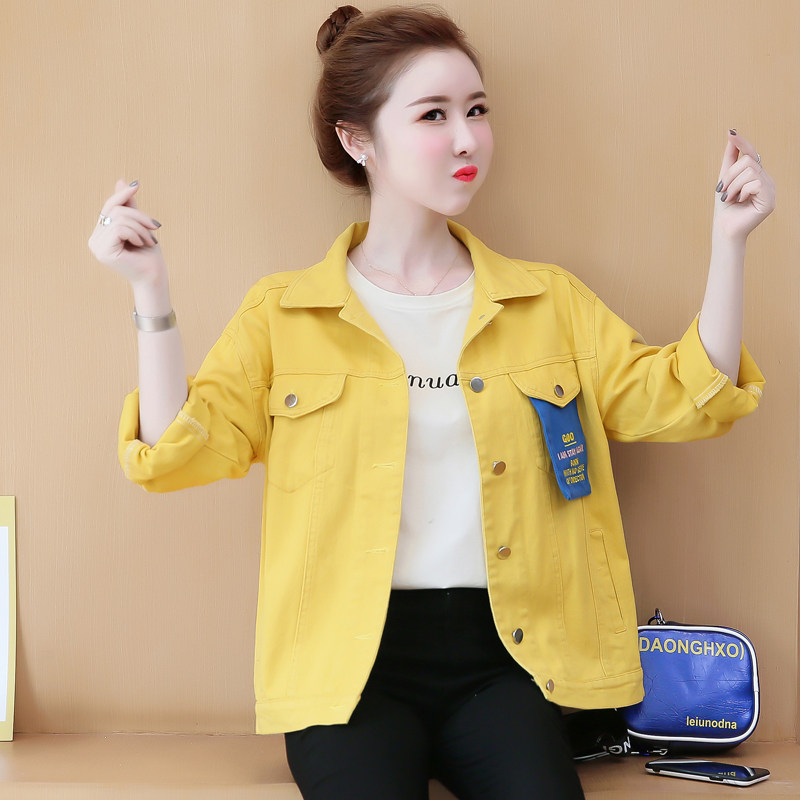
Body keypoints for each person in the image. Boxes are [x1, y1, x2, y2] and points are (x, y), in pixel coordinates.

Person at [87, 5, 775, 799]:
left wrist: (730, 243)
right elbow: (174, 454)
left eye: (477, 111)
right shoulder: (283, 315)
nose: (467, 139)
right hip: (347, 673)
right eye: (433, 115)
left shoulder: (548, 303)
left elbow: (686, 399)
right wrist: (151, 293)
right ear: (358, 140)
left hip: (509, 664)